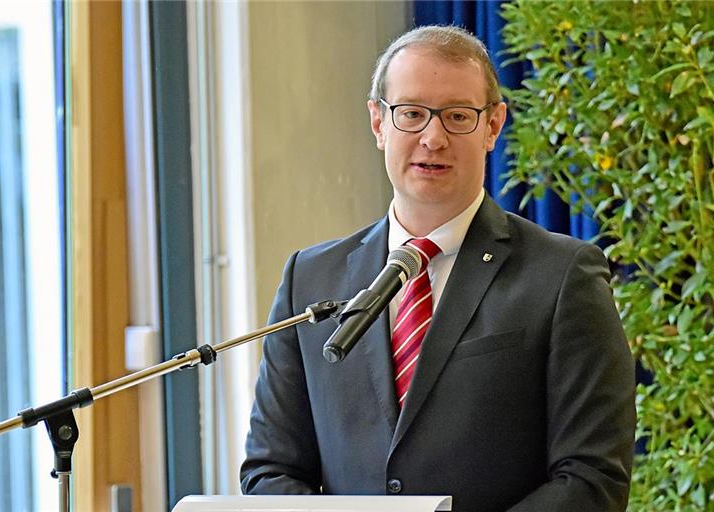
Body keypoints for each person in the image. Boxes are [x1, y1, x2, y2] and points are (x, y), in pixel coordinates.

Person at [240, 25, 636, 511]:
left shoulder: (562, 274)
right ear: (378, 123)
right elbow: (270, 470)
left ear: (493, 126)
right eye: (410, 114)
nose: (433, 137)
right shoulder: (311, 277)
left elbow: (593, 477)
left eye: (457, 116)